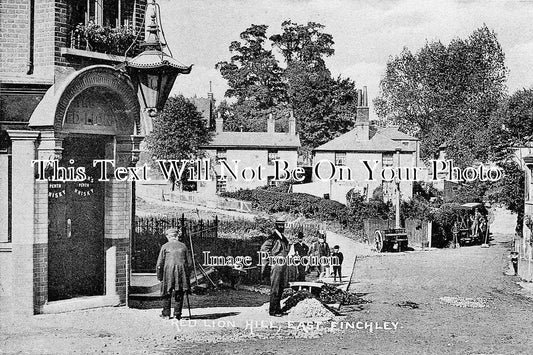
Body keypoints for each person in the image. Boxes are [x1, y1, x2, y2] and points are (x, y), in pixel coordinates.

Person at [156, 228, 193, 319]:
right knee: (179, 291)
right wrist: (187, 275)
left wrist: (159, 276)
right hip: (181, 273)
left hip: (168, 272)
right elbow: (190, 263)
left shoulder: (165, 246)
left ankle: (166, 314)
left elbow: (159, 264)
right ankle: (177, 314)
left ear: (168, 237)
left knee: (166, 292)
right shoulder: (183, 246)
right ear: (177, 236)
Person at [260, 219, 290, 316]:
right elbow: (263, 249)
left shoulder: (283, 238)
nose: (282, 227)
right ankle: (272, 311)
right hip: (276, 265)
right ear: (276, 226)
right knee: (275, 288)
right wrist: (269, 261)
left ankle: (278, 309)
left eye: (283, 225)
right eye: (280, 225)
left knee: (281, 288)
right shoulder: (272, 237)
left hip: (283, 265)